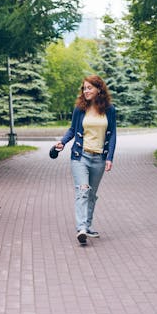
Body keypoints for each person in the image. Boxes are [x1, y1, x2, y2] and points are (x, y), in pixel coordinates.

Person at [55, 75, 117, 245]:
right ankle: (81, 228)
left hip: (99, 158)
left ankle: (87, 226)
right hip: (80, 156)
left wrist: (110, 157)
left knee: (91, 194)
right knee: (82, 190)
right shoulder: (80, 109)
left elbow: (112, 136)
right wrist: (63, 142)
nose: (86, 91)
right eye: (84, 88)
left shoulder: (109, 110)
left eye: (89, 88)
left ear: (99, 89)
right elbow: (72, 129)